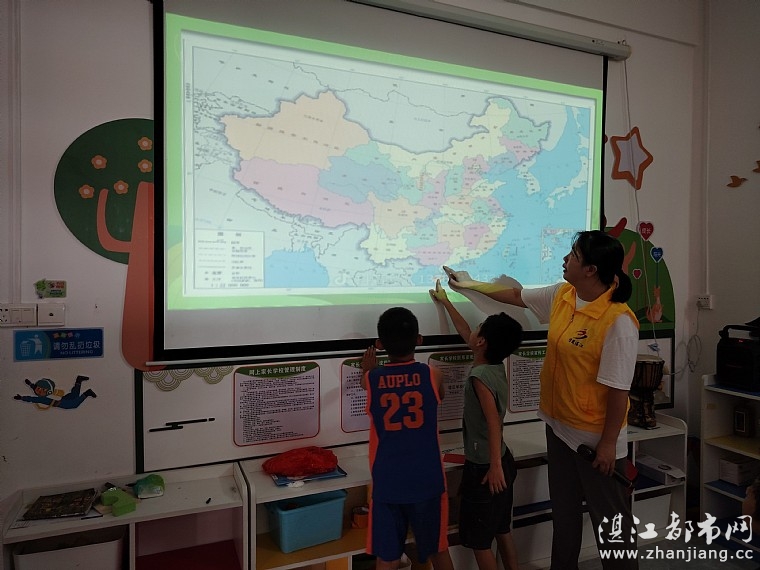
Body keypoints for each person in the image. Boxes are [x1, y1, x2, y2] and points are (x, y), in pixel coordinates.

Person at [443, 229, 640, 569]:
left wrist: (608, 445)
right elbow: (515, 295)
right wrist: (469, 283)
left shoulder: (618, 321)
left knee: (612, 528)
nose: (565, 259)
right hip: (559, 428)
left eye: (573, 255)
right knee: (564, 518)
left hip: (595, 442)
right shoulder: (564, 294)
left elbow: (618, 391)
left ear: (591, 270)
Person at [430, 282, 523, 570]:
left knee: (480, 542)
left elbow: (493, 422)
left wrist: (493, 466)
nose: (473, 330)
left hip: (486, 468)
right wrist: (446, 302)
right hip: (501, 460)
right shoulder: (494, 366)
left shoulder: (479, 377)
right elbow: (465, 331)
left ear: (481, 342)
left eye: (479, 328)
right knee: (502, 530)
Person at [360, 307, 455, 570]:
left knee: (387, 557)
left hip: (388, 482)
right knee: (438, 550)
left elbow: (365, 382)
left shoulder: (371, 379)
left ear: (380, 344)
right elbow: (440, 395)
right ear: (419, 339)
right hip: (428, 480)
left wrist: (368, 368)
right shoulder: (432, 374)